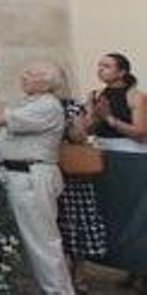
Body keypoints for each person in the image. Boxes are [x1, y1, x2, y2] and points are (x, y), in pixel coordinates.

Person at [0, 60, 74, 295]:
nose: (23, 76)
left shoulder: (47, 106)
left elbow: (0, 117)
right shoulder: (32, 103)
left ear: (47, 83)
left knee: (43, 245)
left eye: (31, 73)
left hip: (31, 177)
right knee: (31, 246)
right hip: (19, 175)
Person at [59, 91, 108, 293]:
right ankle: (73, 276)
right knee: (68, 225)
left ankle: (74, 275)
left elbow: (79, 135)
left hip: (69, 172)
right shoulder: (66, 106)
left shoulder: (69, 106)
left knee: (71, 224)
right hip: (62, 174)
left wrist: (88, 115)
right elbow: (80, 135)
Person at [79, 52, 147, 143]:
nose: (100, 69)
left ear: (121, 72)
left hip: (130, 151)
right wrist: (92, 117)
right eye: (99, 66)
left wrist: (109, 118)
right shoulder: (94, 95)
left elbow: (141, 133)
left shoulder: (136, 96)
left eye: (107, 66)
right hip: (100, 149)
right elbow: (88, 132)